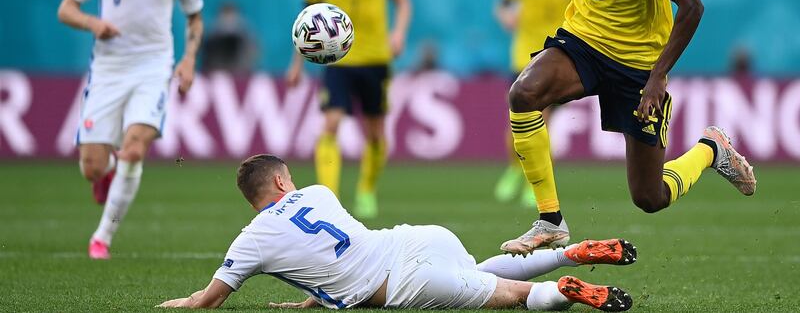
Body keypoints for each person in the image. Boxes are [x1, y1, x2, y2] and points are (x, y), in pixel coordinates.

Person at [485, 0, 756, 255]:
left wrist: (658, 77)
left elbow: (692, 6)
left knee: (649, 197)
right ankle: (550, 221)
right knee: (523, 94)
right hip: (585, 40)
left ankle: (710, 149)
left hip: (637, 64)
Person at [157, 154, 636, 311]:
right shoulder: (319, 193)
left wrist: (181, 303)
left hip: (403, 281)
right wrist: (314, 298)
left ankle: (564, 292)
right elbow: (330, 248)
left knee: (512, 296)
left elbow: (208, 301)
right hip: (417, 239)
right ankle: (571, 253)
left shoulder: (251, 241)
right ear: (283, 182)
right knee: (476, 271)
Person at [57, 0, 204, 260]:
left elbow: (194, 17)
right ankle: (106, 172)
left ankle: (101, 238)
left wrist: (189, 59)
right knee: (91, 167)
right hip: (109, 67)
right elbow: (66, 9)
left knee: (135, 147)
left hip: (154, 66)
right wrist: (93, 23)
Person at [286, 0, 412, 219]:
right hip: (337, 63)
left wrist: (398, 33)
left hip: (375, 59)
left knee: (375, 133)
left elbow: (403, 1)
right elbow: (305, 26)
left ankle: (366, 189)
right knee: (330, 124)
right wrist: (297, 65)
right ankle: (329, 198)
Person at [493, 0, 572, 208]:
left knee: (543, 119)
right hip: (524, 53)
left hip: (558, 54)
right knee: (517, 120)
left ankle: (534, 183)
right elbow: (503, 3)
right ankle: (516, 169)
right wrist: (506, 17)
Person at [200, 0, 257, 74]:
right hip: (217, 73)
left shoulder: (247, 38)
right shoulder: (210, 39)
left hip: (240, 74)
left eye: (232, 17)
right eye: (226, 16)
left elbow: (252, 59)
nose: (229, 21)